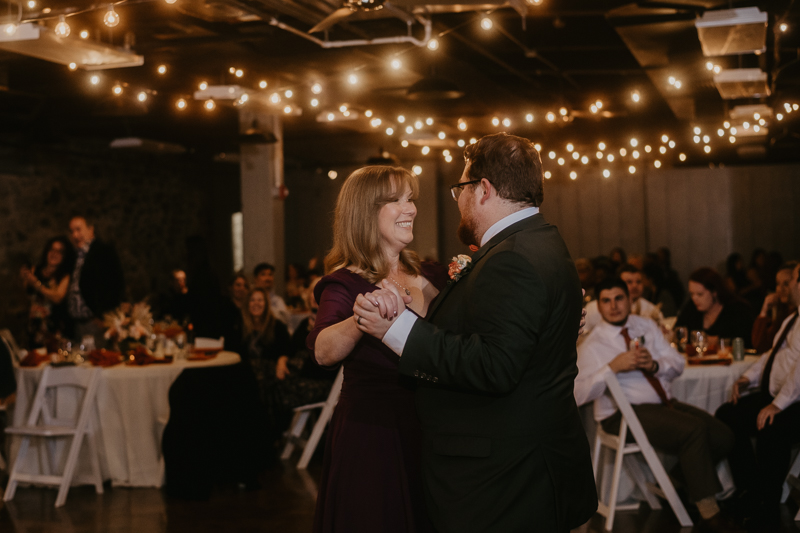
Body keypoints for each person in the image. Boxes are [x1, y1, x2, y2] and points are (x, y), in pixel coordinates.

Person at [354, 134, 597, 532]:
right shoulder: (543, 241)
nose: (459, 200)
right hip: (533, 466)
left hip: (505, 481)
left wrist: (397, 330)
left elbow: (495, 365)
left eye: (461, 189)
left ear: (483, 190)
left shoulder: (512, 259)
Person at [307, 165, 447, 533]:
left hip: (431, 429)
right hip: (375, 437)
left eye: (411, 199)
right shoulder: (345, 283)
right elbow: (323, 351)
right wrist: (360, 317)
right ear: (366, 212)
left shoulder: (430, 274)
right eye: (396, 200)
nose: (411, 208)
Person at [575, 278, 738, 532]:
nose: (613, 306)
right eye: (606, 301)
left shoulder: (646, 325)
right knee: (693, 430)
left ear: (630, 300)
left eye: (619, 298)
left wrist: (654, 365)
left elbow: (678, 363)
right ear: (599, 305)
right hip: (620, 414)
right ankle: (710, 515)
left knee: (723, 435)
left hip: (662, 403)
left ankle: (677, 480)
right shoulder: (593, 344)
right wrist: (611, 368)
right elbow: (578, 394)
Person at [715, 262, 800, 527]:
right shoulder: (792, 317)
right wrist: (746, 378)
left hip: (795, 402)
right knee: (727, 415)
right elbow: (770, 355)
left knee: (770, 426)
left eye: (793, 280)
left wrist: (777, 405)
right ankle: (750, 487)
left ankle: (769, 502)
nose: (789, 287)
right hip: (778, 396)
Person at [66, 216, 125, 345]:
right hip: (76, 323)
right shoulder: (73, 255)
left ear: (90, 230)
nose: (75, 235)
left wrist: (103, 316)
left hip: (95, 322)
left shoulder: (103, 252)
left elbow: (116, 284)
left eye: (78, 230)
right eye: (71, 231)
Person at [675, 267, 756, 348]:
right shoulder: (692, 307)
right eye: (691, 294)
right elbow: (678, 332)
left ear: (714, 292)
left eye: (700, 294)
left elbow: (748, 341)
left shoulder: (737, 310)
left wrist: (719, 341)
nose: (694, 298)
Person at [19, 236, 76, 347]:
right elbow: (26, 293)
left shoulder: (64, 276)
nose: (54, 254)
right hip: (34, 326)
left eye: (59, 251)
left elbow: (58, 297)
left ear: (64, 256)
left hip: (54, 328)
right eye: (52, 249)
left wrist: (37, 284)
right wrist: (23, 278)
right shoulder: (36, 270)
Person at [582, 264, 664, 338]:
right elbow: (582, 336)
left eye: (638, 282)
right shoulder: (593, 308)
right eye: (629, 282)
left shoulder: (652, 309)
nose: (635, 286)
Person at [752, 262, 797, 354]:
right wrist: (764, 311)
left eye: (786, 284)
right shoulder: (782, 313)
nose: (781, 289)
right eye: (778, 284)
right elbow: (760, 346)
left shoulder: (796, 315)